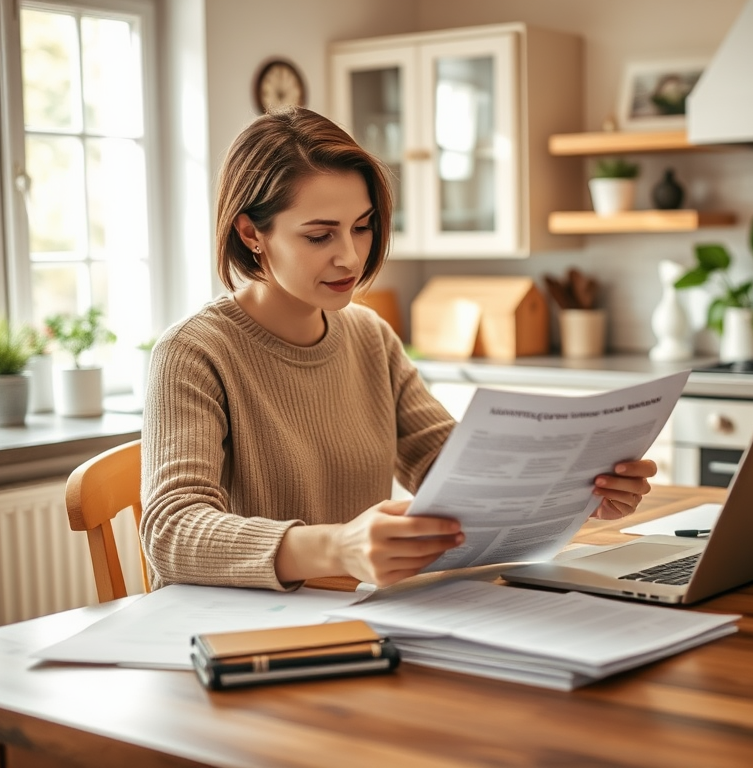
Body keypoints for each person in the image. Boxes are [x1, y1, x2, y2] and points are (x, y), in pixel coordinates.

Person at [140, 106, 658, 592]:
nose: (351, 256)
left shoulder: (369, 336)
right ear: (251, 232)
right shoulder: (193, 351)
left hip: (360, 617)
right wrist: (336, 548)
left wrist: (573, 493)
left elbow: (450, 468)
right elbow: (171, 530)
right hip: (236, 640)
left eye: (362, 227)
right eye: (320, 236)